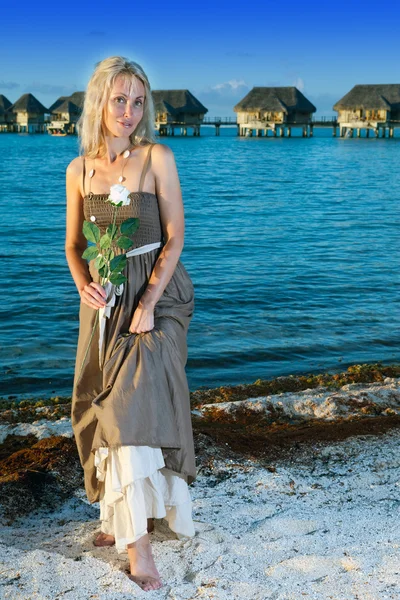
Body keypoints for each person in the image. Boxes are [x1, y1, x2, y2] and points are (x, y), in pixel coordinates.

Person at [65, 56, 197, 592]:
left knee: (130, 409)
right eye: (119, 99)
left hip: (157, 296)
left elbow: (175, 238)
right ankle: (119, 516)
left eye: (138, 101)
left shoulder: (156, 157)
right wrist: (83, 284)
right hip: (103, 303)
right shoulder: (79, 171)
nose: (129, 111)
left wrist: (147, 302)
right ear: (100, 102)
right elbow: (73, 247)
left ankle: (138, 545)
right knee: (102, 406)